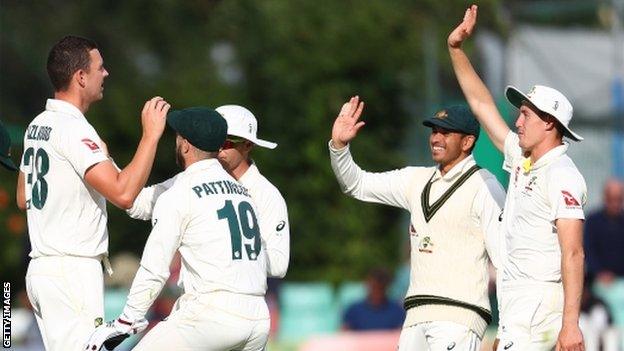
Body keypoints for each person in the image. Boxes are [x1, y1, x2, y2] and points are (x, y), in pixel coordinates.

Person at [15, 35, 170, 351]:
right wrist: (151, 136)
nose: (106, 73)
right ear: (80, 77)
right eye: (100, 67)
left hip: (42, 270)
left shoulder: (37, 124)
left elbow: (22, 198)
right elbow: (124, 194)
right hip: (71, 271)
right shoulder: (74, 129)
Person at [448, 6, 587, 350]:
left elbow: (573, 254)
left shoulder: (563, 175)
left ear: (550, 123)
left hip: (540, 308)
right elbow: (482, 106)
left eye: (525, 114)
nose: (518, 122)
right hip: (515, 304)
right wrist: (455, 50)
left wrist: (570, 326)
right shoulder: (523, 159)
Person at [85, 107, 270, 351]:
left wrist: (126, 320)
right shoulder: (242, 192)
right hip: (258, 318)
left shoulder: (181, 192)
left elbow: (155, 267)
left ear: (185, 145)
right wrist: (107, 164)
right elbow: (136, 202)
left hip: (212, 315)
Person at [329, 96, 506, 350]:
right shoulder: (415, 179)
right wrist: (339, 146)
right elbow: (357, 184)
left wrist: (507, 328)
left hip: (460, 316)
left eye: (446, 133)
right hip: (415, 317)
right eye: (434, 131)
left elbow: (505, 262)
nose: (435, 138)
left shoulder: (485, 186)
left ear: (467, 141)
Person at [126, 104, 289, 279]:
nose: (218, 149)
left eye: (226, 142)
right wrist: (101, 161)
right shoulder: (190, 179)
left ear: (248, 145)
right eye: (215, 140)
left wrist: (217, 248)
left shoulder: (267, 195)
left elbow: (278, 265)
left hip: (240, 301)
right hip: (195, 301)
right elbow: (135, 202)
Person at [584, 179, 624, 285]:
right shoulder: (593, 221)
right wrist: (599, 273)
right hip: (599, 280)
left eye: (619, 200)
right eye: (612, 199)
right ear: (605, 198)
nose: (615, 204)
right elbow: (588, 251)